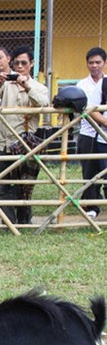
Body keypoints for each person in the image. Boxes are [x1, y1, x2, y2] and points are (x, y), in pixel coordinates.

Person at [0, 45, 49, 225]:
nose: (19, 67)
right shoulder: (6, 83)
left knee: (24, 186)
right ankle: (9, 223)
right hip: (0, 142)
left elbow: (43, 104)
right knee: (0, 186)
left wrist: (26, 86)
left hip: (22, 142)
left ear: (32, 64)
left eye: (23, 63)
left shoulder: (38, 87)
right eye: (16, 63)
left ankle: (23, 220)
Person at [76, 47, 107, 218]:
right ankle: (92, 207)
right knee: (90, 171)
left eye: (98, 62)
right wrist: (103, 122)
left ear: (104, 63)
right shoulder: (82, 85)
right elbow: (85, 109)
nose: (94, 66)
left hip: (105, 136)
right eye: (91, 62)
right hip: (88, 134)